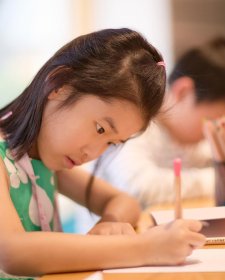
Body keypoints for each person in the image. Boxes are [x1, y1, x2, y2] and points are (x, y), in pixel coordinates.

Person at [0, 28, 205, 279]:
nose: (94, 153)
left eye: (112, 143)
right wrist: (145, 248)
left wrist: (109, 222)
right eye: (100, 129)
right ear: (59, 85)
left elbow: (123, 202)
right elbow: (12, 252)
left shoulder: (43, 160)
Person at [85, 36, 225, 209]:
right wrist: (218, 178)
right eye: (217, 119)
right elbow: (138, 188)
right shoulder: (135, 122)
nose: (218, 129)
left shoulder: (190, 139)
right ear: (183, 92)